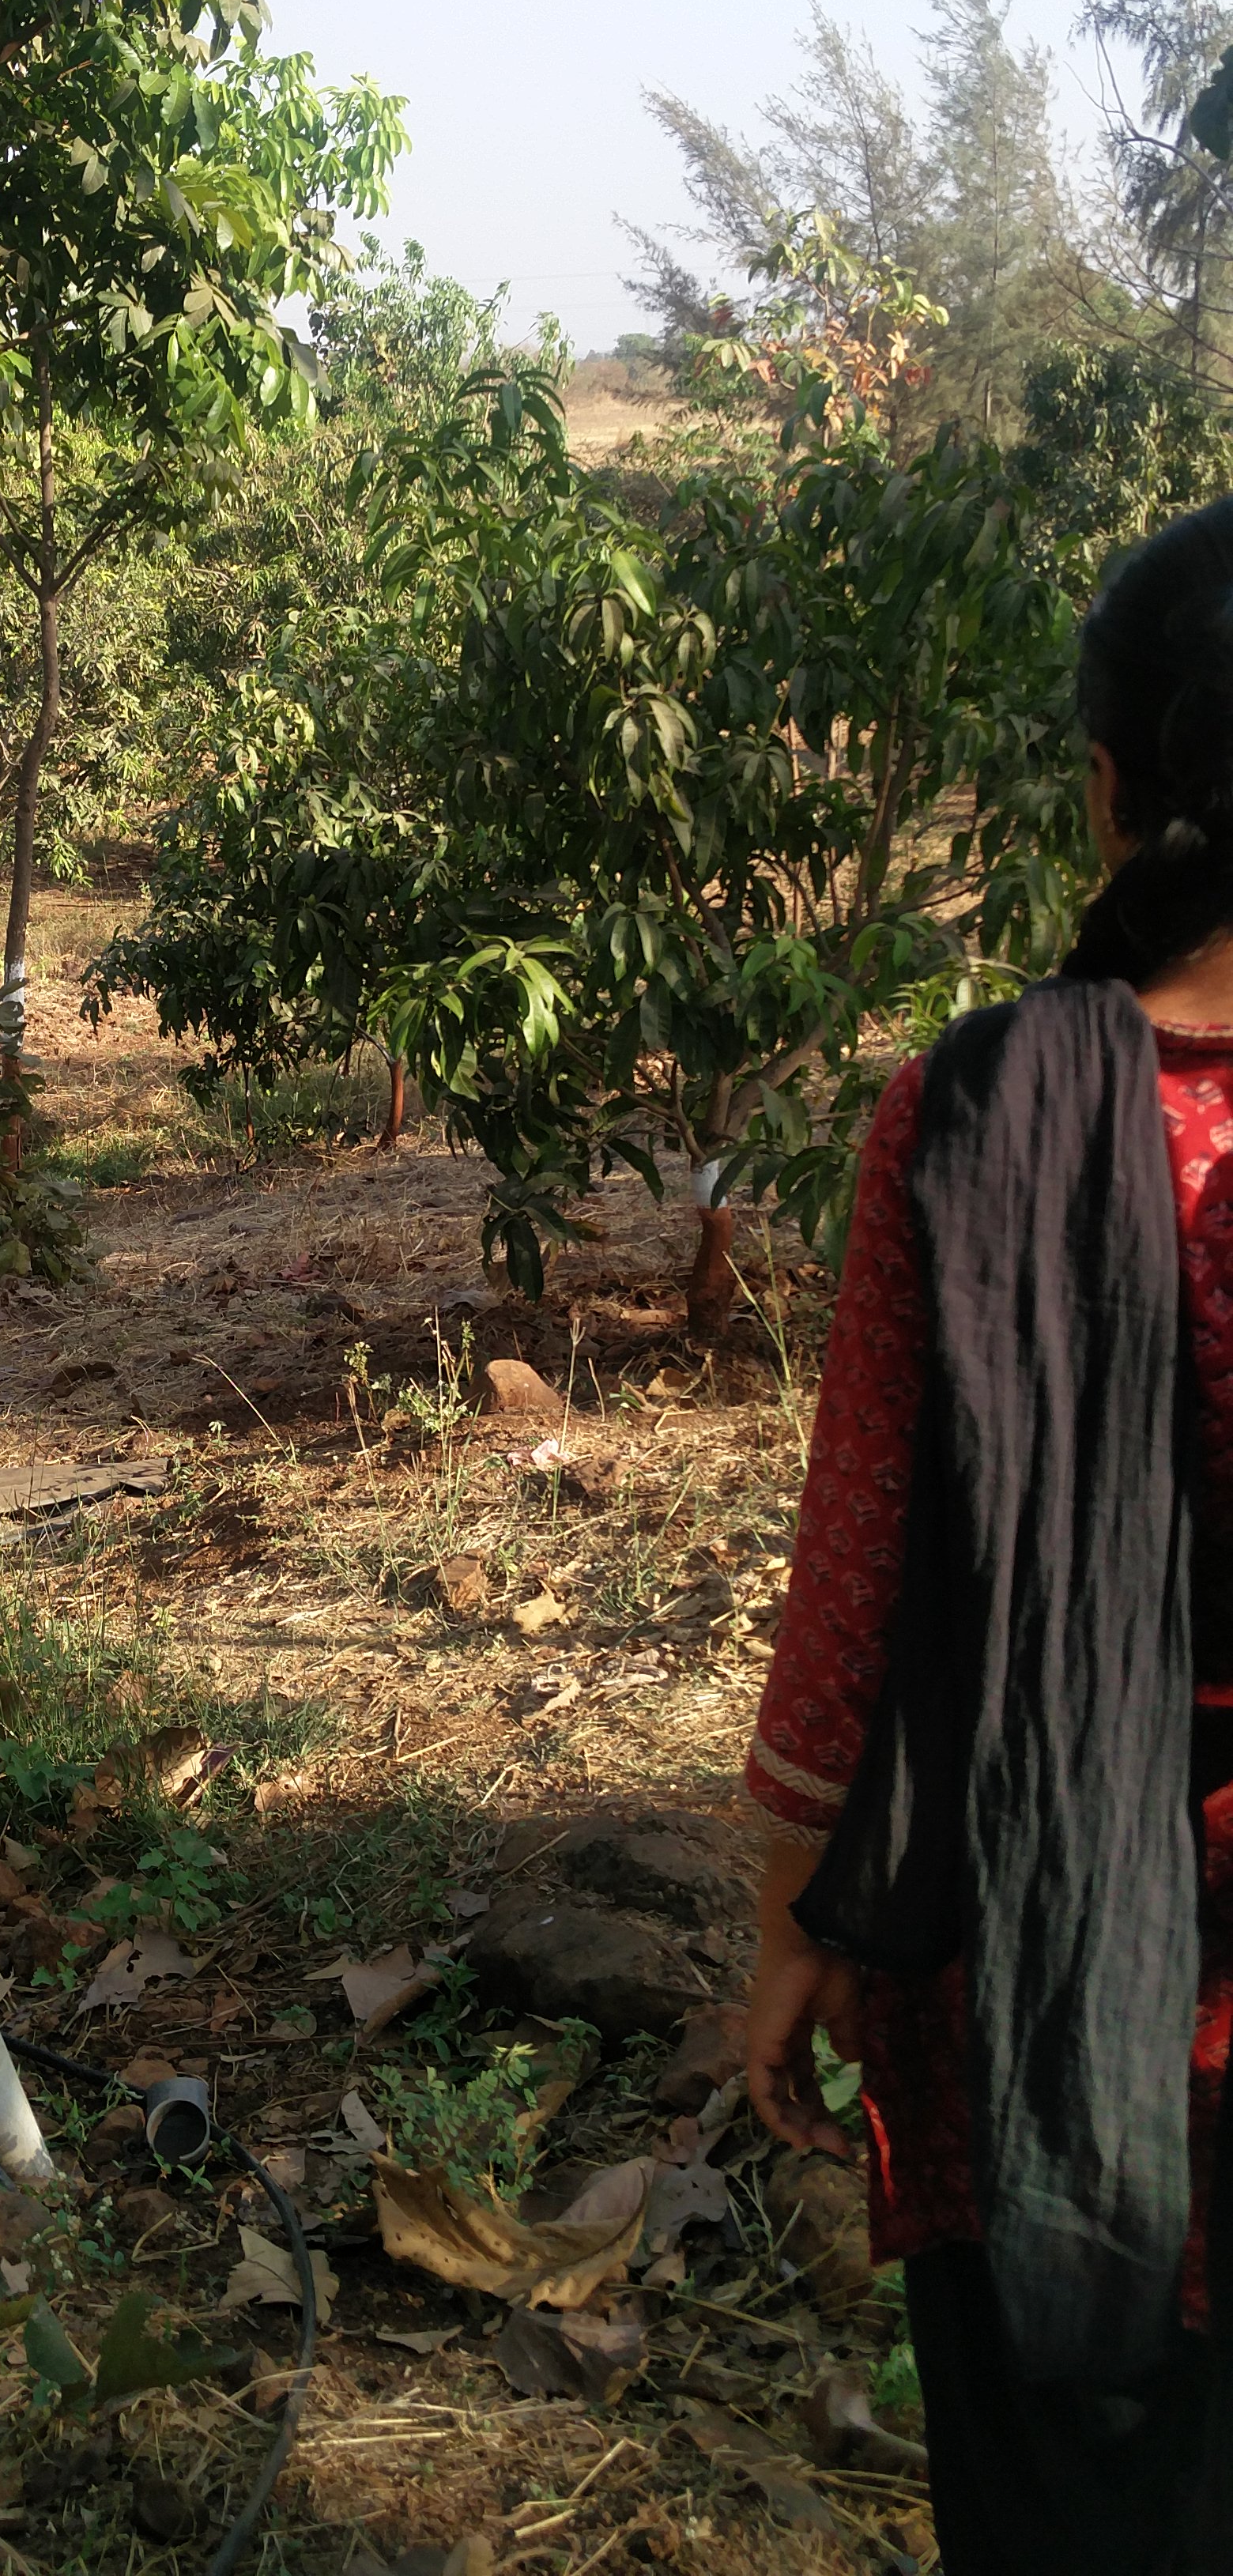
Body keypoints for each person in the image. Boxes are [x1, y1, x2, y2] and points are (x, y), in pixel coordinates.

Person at [743, 500, 1233, 2576]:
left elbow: (859, 1567)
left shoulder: (969, 1109)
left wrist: (793, 1919)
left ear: (1109, 790)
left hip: (1038, 1964)